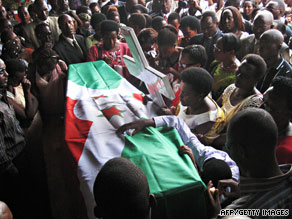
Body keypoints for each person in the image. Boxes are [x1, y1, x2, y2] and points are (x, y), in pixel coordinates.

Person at [210, 108, 292, 215]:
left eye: (228, 146)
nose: (227, 150)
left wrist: (215, 215)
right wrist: (242, 191)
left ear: (240, 152)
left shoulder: (238, 212)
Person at [116, 116, 239, 183]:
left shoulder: (232, 182)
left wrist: (193, 164)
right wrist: (146, 122)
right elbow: (177, 122)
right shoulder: (200, 152)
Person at [169, 67, 225, 145]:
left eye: (185, 93)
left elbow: (187, 143)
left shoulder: (207, 121)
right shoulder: (192, 97)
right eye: (180, 90)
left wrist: (170, 119)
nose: (180, 95)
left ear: (200, 96)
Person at [0, 58, 27, 219]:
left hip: (20, 155)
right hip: (11, 165)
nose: (7, 74)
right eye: (2, 72)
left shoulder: (3, 95)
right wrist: (11, 170)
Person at [263, 77, 292, 164]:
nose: (262, 109)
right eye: (263, 102)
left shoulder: (284, 150)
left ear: (289, 114)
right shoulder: (263, 124)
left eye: (271, 108)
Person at [6, 59, 38, 129]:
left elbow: (35, 100)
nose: (21, 82)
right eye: (18, 79)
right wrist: (27, 92)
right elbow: (28, 116)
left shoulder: (18, 85)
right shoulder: (5, 95)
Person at [210, 33, 241, 100]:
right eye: (215, 47)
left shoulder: (237, 74)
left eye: (218, 50)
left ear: (231, 52)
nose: (214, 51)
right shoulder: (216, 64)